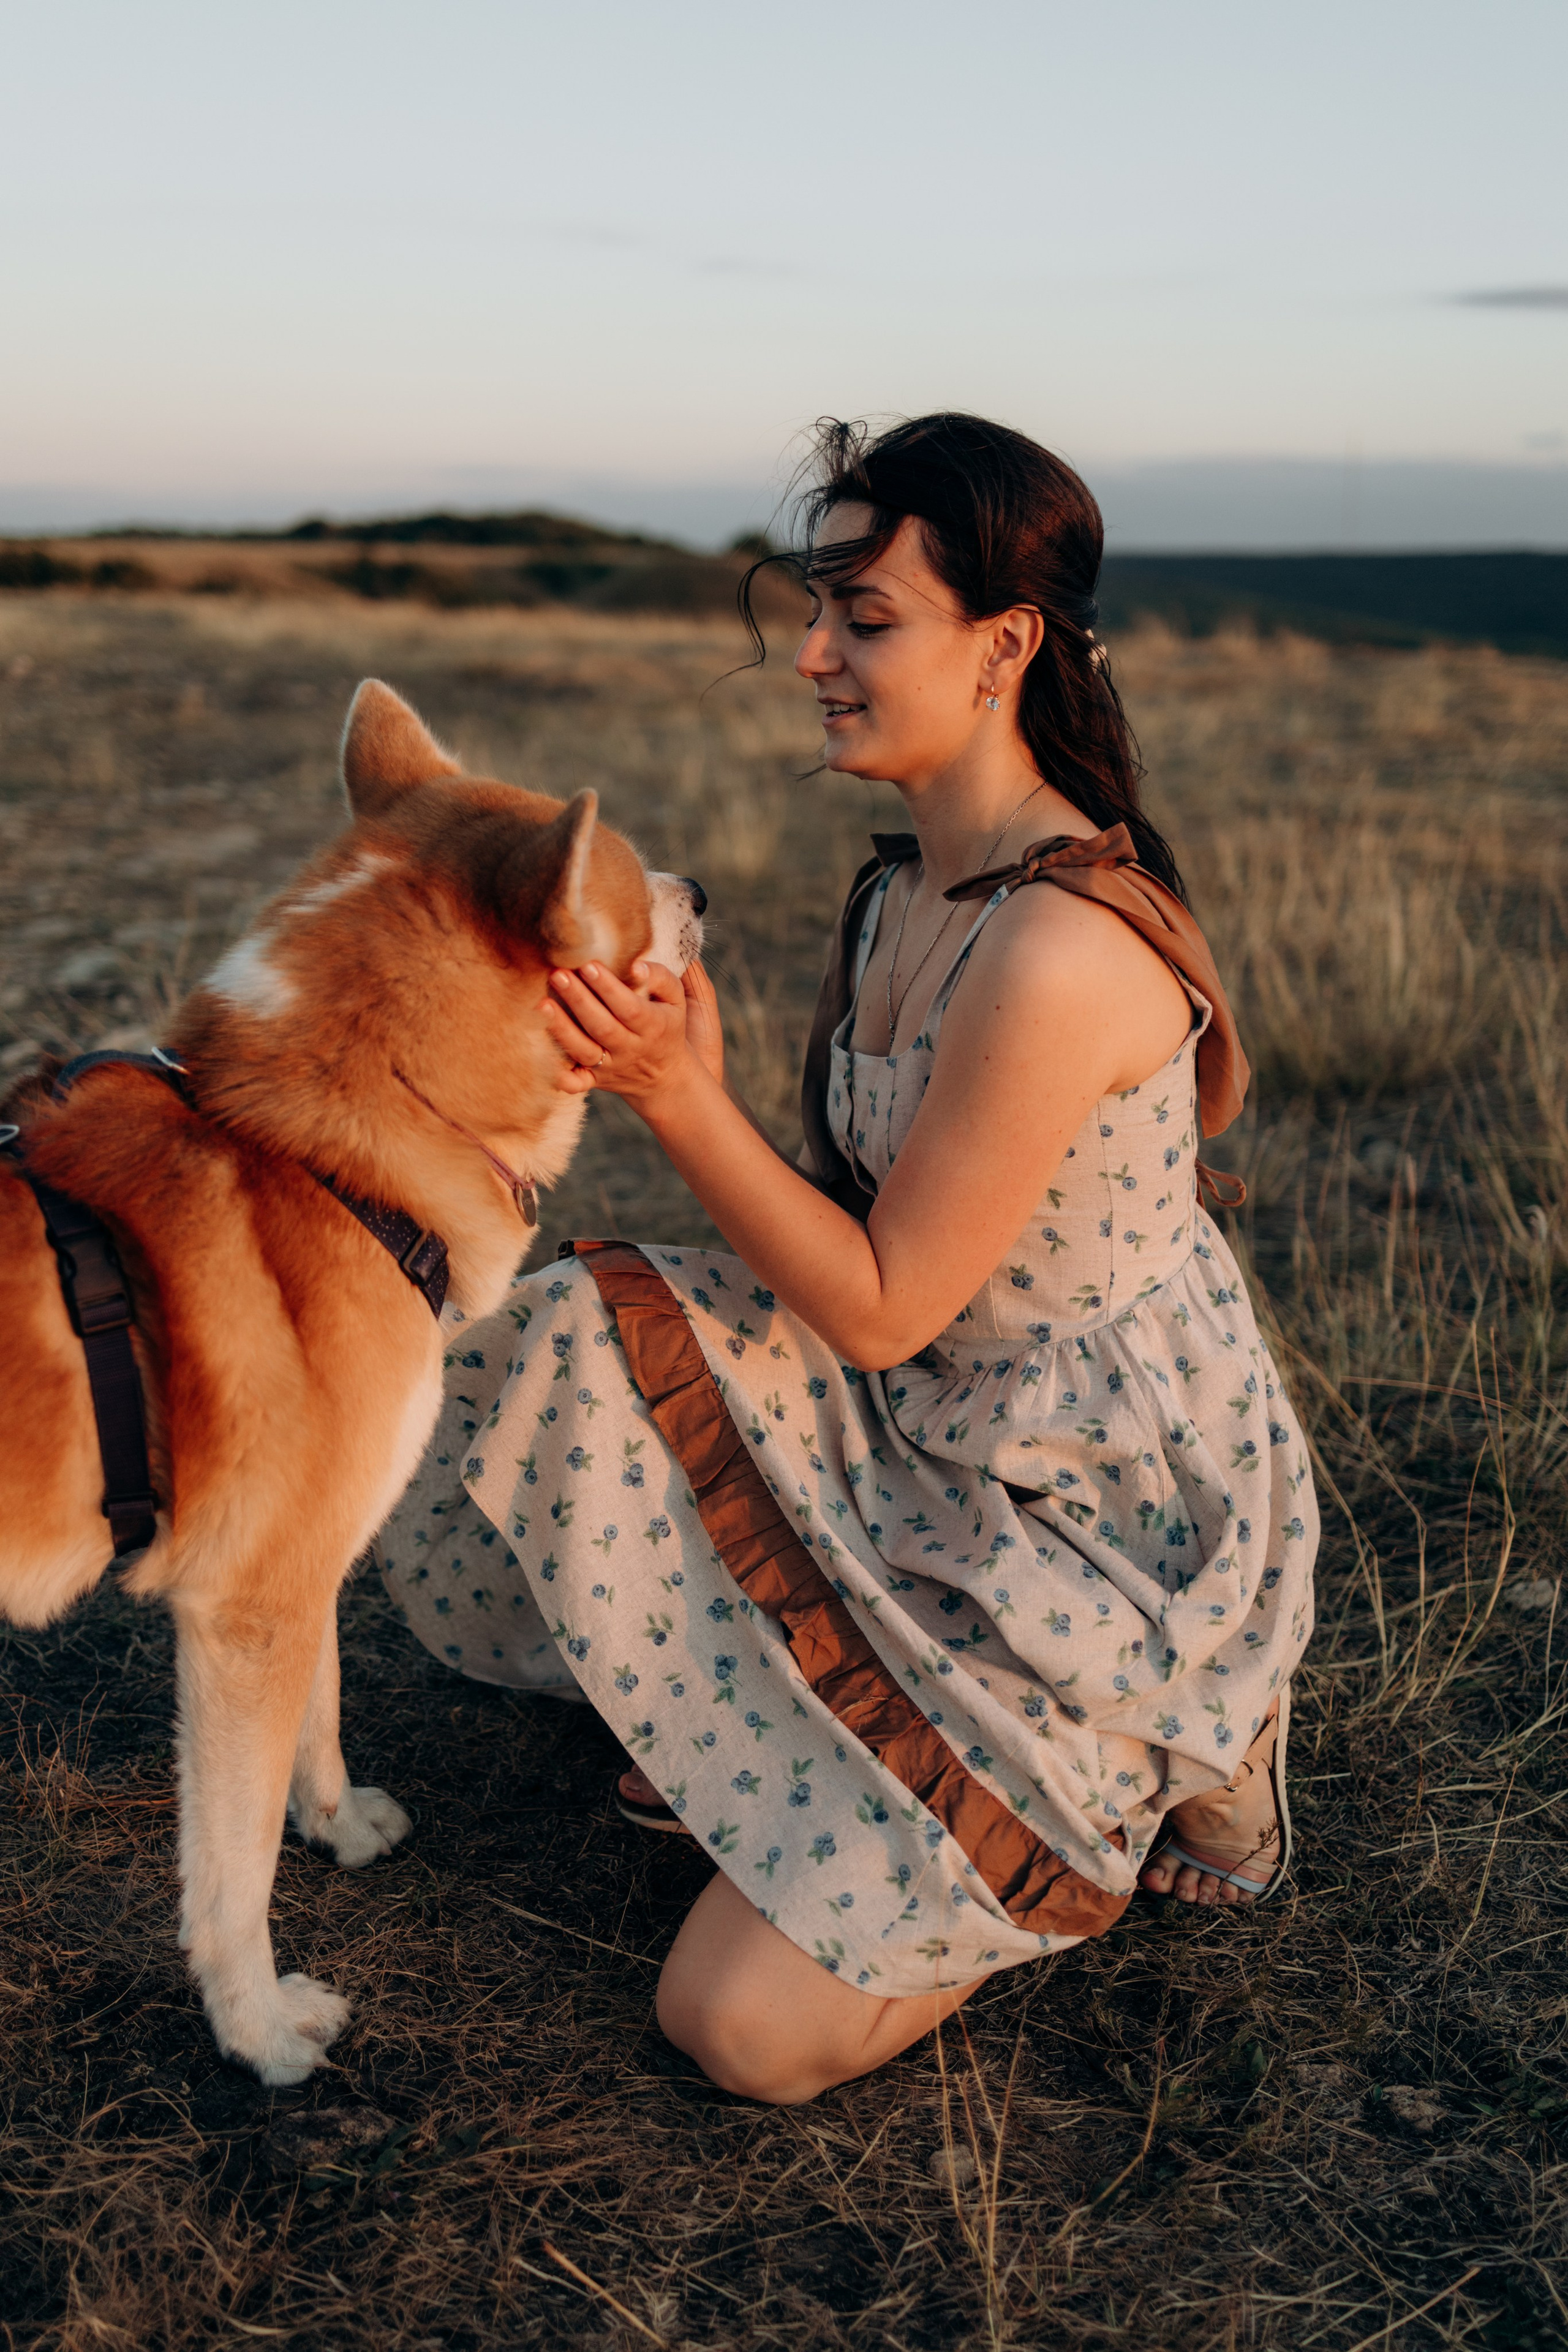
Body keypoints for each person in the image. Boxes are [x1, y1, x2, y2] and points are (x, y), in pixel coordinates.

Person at [379, 413, 1317, 2106]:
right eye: (815, 605)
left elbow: (881, 1311)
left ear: (1005, 645)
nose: (811, 655)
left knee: (736, 2028)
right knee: (579, 1323)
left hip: (1097, 1522)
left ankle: (1140, 1779)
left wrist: (678, 1093)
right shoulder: (901, 901)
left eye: (865, 618)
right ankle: (831, 1708)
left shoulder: (1056, 949)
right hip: (926, 1419)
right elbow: (840, 1250)